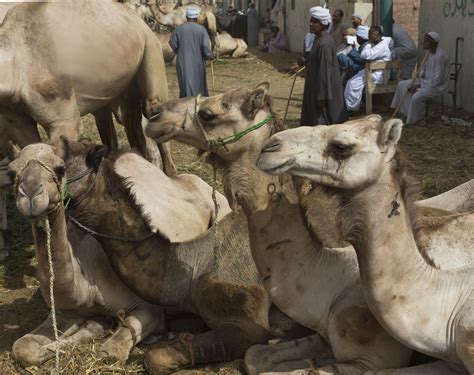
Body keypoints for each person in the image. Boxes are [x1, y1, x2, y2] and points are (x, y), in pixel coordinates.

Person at [300, 6, 347, 126]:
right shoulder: (318, 39)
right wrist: (305, 61)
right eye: (310, 21)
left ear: (323, 23)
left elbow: (324, 70)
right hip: (315, 87)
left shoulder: (324, 43)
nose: (311, 24)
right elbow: (316, 59)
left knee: (322, 122)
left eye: (314, 22)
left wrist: (322, 96)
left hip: (322, 90)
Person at [391, 32, 449, 125]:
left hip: (436, 86)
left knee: (416, 97)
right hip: (425, 81)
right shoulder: (429, 52)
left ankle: (418, 119)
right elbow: (424, 69)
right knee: (402, 85)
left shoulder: (440, 56)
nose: (423, 43)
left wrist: (419, 85)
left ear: (432, 43)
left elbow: (438, 80)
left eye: (426, 41)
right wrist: (420, 76)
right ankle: (407, 113)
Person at [344, 26, 393, 111]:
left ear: (376, 34)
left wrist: (369, 43)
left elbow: (364, 55)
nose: (369, 36)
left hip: (379, 75)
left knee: (353, 84)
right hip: (372, 72)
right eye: (369, 34)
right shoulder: (377, 44)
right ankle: (350, 106)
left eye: (370, 34)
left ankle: (352, 108)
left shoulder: (381, 46)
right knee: (350, 82)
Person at [170, 7, 213, 98]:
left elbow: (172, 42)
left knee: (184, 84)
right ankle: (199, 103)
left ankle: (185, 103)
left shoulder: (178, 29)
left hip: (183, 62)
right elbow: (205, 47)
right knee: (199, 84)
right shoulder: (201, 29)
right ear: (196, 18)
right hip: (198, 62)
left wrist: (180, 51)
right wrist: (209, 56)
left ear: (186, 17)